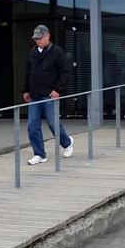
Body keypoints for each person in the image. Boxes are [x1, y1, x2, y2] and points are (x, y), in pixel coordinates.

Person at [22, 25, 73, 165]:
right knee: (32, 125)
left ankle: (67, 143)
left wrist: (58, 89)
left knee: (52, 123)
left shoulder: (57, 52)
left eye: (40, 38)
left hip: (50, 94)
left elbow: (64, 72)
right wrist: (26, 90)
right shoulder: (32, 52)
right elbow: (28, 72)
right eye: (36, 39)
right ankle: (39, 154)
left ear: (47, 36)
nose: (38, 41)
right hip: (34, 94)